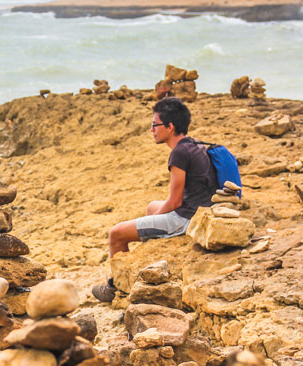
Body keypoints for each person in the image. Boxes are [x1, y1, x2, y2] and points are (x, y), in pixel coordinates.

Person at [91, 96, 216, 302]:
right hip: (198, 209)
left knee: (116, 234)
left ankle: (114, 287)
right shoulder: (193, 145)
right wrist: (154, 215)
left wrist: (155, 218)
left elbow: (174, 202)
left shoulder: (179, 154)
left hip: (185, 217)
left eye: (154, 125)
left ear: (170, 126)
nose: (151, 130)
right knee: (151, 207)